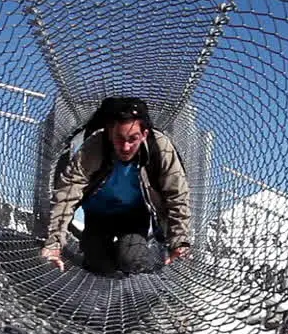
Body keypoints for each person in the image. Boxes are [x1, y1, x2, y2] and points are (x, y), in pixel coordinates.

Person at [41, 96, 191, 275]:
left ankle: (130, 257)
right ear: (111, 131)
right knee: (99, 265)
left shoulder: (160, 147)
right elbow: (68, 189)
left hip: (135, 215)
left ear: (144, 135)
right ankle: (101, 256)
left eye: (133, 139)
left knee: (130, 260)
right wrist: (54, 243)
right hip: (99, 214)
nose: (126, 147)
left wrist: (179, 242)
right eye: (120, 138)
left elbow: (177, 194)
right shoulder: (96, 145)